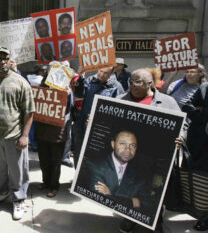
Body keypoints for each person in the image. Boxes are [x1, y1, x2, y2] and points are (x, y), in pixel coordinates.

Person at [117, 68, 185, 233]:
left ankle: (155, 222)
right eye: (131, 81)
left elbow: (183, 124)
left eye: (138, 82)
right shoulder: (120, 99)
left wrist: (181, 136)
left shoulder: (168, 102)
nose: (133, 85)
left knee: (154, 192)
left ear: (149, 84)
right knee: (130, 189)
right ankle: (130, 217)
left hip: (156, 159)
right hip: (130, 158)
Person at [0, 46, 35, 220]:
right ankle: (1, 192)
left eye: (6, 58)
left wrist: (25, 135)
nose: (3, 62)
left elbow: (29, 112)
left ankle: (19, 199)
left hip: (15, 137)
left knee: (18, 171)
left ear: (10, 61)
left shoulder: (20, 82)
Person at [88, 130, 150, 209]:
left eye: (132, 145)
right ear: (113, 144)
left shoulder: (140, 174)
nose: (128, 149)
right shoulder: (96, 166)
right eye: (122, 144)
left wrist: (110, 196)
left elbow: (146, 203)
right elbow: (97, 198)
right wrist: (132, 202)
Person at [74, 67, 124, 150]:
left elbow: (118, 110)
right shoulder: (90, 80)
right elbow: (79, 94)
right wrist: (81, 78)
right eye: (101, 71)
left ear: (111, 73)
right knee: (79, 151)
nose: (101, 75)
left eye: (105, 73)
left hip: (100, 128)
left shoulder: (116, 87)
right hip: (82, 123)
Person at [182, 81, 208, 231]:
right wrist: (201, 116)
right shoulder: (204, 87)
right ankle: (204, 217)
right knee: (203, 181)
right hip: (201, 143)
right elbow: (187, 105)